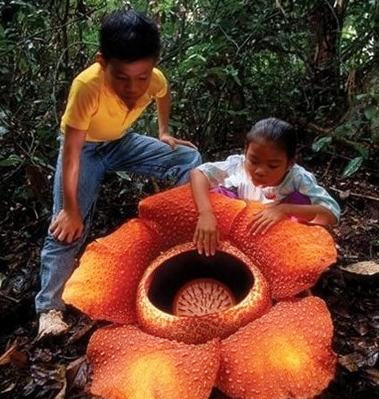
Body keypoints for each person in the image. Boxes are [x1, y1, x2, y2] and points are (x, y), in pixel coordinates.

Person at [36, 9, 201, 338]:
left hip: (121, 142)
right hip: (84, 151)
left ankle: (177, 233)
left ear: (153, 64)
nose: (133, 87)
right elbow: (70, 155)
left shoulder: (154, 79)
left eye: (142, 76)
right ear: (102, 61)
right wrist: (70, 209)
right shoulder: (87, 87)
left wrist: (164, 131)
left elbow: (162, 94)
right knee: (67, 229)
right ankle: (49, 308)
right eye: (122, 77)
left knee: (188, 158)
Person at [191, 117, 340, 256]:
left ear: (290, 163)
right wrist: (206, 213)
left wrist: (284, 210)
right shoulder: (237, 165)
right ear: (245, 151)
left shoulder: (298, 178)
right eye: (254, 161)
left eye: (272, 165)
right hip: (238, 232)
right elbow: (199, 173)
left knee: (301, 199)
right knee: (218, 193)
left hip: (281, 237)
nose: (260, 171)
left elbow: (331, 214)